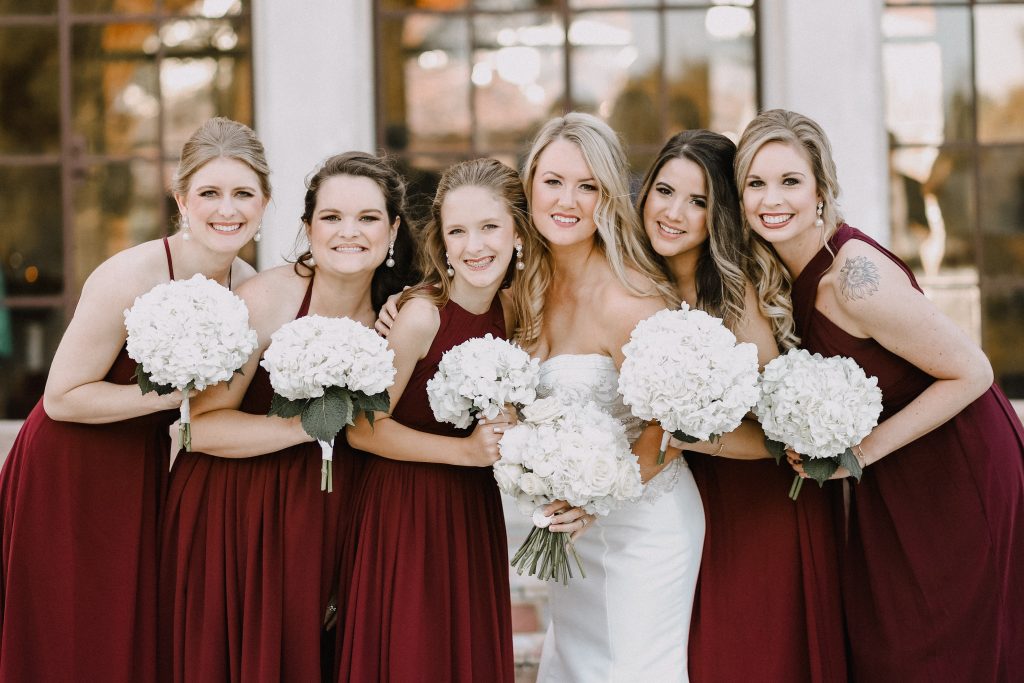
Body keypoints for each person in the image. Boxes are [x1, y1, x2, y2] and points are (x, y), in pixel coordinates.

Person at [736, 108, 1024, 682]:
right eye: (755, 182)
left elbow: (973, 371)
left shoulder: (854, 279)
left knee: (941, 652)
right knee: (889, 645)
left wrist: (857, 455)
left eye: (791, 181)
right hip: (891, 479)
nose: (773, 198)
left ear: (822, 189)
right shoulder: (775, 271)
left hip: (956, 469)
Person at [0, 117, 265, 682]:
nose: (227, 209)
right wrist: (172, 396)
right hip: (72, 465)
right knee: (72, 632)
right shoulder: (131, 274)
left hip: (148, 472)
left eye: (243, 193)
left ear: (265, 203)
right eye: (209, 193)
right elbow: (62, 398)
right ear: (181, 200)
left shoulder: (249, 284)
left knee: (130, 635)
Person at [158, 151, 418, 682]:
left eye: (368, 218)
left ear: (393, 231)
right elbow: (197, 427)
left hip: (329, 520)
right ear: (307, 228)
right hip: (233, 516)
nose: (350, 232)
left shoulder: (401, 314)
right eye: (331, 218)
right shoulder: (266, 299)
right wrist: (304, 426)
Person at [636, 129, 848, 682]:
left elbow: (782, 436)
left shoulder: (736, 296)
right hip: (683, 509)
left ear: (720, 214)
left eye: (699, 200)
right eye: (664, 190)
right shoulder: (636, 284)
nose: (674, 213)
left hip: (759, 510)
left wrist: (686, 436)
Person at [513, 113, 704, 682]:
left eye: (588, 185)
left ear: (609, 196)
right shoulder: (526, 285)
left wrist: (597, 500)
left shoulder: (632, 297)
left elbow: (666, 429)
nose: (567, 200)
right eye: (553, 181)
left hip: (643, 530)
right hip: (574, 534)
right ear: (530, 186)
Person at [335, 158, 542, 682]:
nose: (475, 246)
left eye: (489, 227)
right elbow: (362, 429)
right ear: (441, 243)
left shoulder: (518, 316)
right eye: (458, 231)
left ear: (517, 230)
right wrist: (465, 451)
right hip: (405, 511)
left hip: (470, 513)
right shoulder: (422, 315)